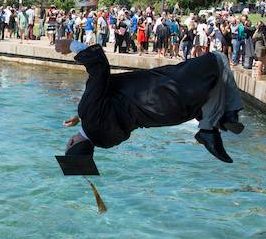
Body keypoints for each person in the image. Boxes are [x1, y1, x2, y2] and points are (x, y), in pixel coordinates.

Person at [55, 38, 244, 166]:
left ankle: (215, 124)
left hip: (168, 116)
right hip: (161, 93)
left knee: (210, 85)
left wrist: (81, 116)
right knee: (217, 60)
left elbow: (108, 112)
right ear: (71, 140)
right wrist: (71, 44)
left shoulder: (107, 141)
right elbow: (99, 68)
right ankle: (220, 120)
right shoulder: (90, 112)